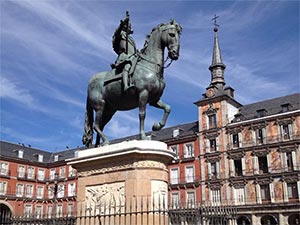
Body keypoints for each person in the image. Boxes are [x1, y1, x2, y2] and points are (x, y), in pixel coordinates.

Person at [112, 12, 137, 92]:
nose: (130, 27)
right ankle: (126, 86)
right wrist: (123, 22)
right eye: (128, 26)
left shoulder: (131, 39)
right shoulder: (120, 34)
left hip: (133, 57)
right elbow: (117, 32)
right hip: (125, 57)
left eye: (130, 26)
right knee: (127, 65)